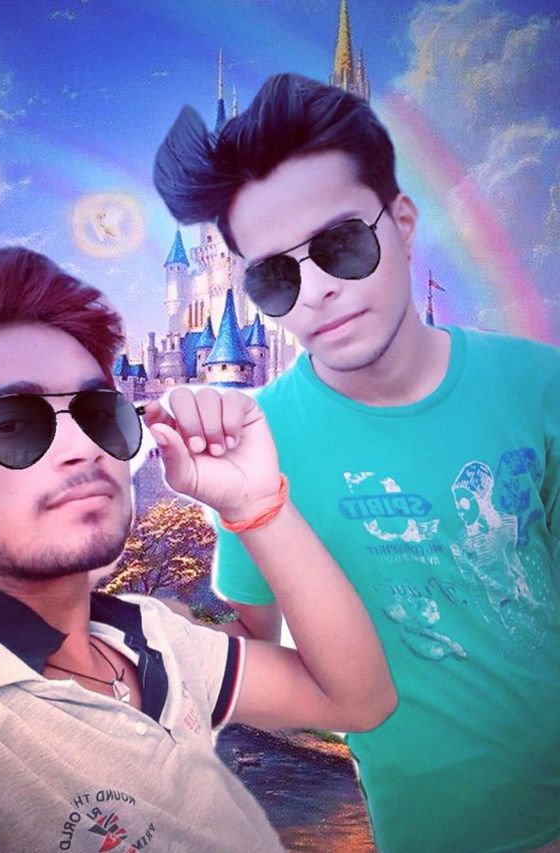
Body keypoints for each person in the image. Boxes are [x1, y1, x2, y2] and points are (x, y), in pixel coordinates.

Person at [153, 73, 560, 853]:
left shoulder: (540, 386)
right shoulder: (259, 441)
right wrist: (160, 636)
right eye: (275, 275)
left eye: (341, 244)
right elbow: (258, 643)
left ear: (402, 223)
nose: (316, 292)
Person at [0, 247, 396, 852]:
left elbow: (358, 699)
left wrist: (256, 506)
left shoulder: (148, 636)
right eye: (11, 422)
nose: (84, 447)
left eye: (99, 412)